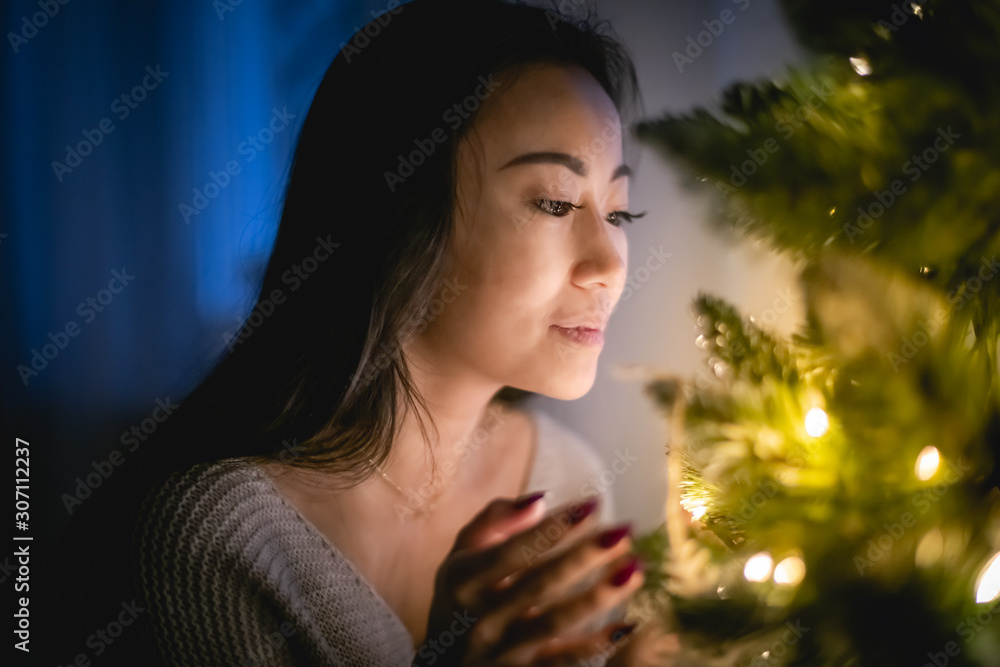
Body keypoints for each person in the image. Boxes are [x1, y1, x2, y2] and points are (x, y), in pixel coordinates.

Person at [44, 0, 677, 664]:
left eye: (620, 211)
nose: (608, 265)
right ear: (399, 210)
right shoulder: (213, 540)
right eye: (553, 202)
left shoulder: (565, 483)